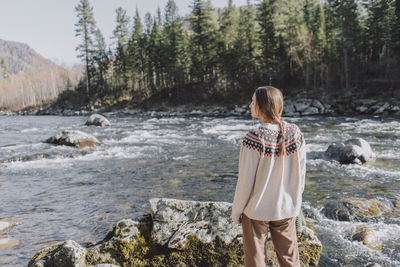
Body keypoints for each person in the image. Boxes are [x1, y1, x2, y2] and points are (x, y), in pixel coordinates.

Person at [231, 86, 306, 267]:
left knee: (256, 262)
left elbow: (245, 183)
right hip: (286, 209)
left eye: (253, 102)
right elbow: (301, 173)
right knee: (290, 260)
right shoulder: (295, 133)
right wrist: (296, 201)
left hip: (257, 211)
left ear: (263, 107)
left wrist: (236, 212)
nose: (250, 106)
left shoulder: (253, 138)